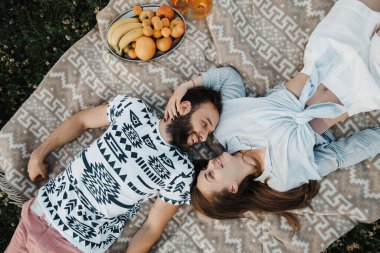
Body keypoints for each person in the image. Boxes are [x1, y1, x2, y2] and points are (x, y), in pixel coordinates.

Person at [165, 0, 380, 232]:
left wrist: (185, 86)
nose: (210, 165)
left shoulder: (225, 127)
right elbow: (339, 155)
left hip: (328, 50)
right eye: (211, 176)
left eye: (205, 169)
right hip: (362, 85)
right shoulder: (282, 178)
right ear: (233, 189)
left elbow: (227, 78)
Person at [5, 87, 221, 253]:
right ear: (184, 108)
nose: (203, 137)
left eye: (209, 133)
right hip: (37, 213)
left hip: (72, 245)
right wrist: (39, 154)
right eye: (205, 124)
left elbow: (152, 227)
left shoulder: (181, 170)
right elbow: (81, 120)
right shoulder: (133, 109)